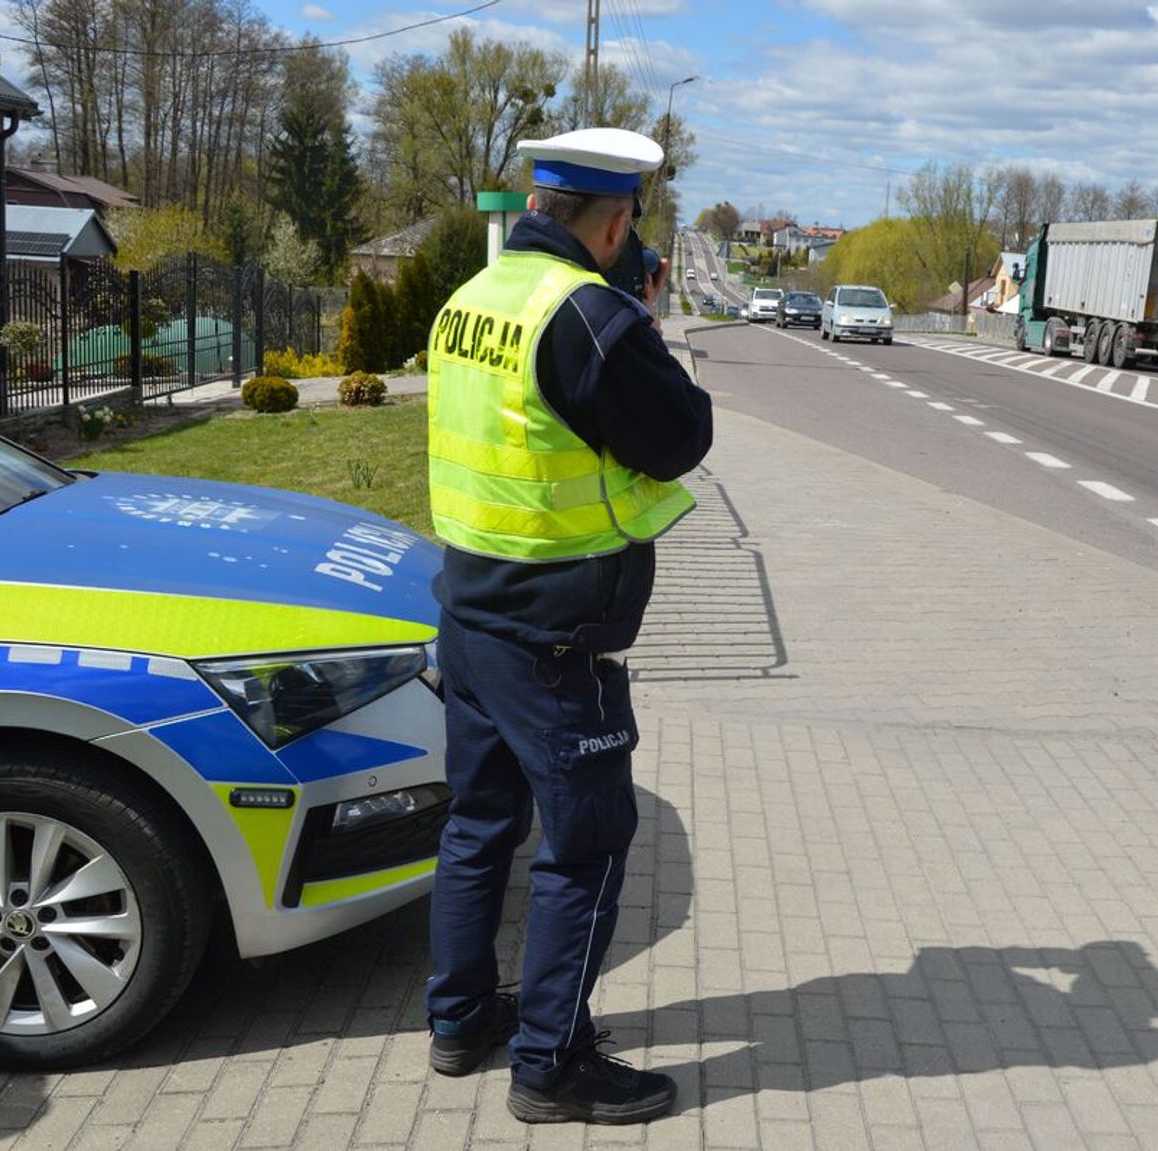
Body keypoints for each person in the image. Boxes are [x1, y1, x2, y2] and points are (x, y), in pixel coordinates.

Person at [422, 126, 713, 1125]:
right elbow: (679, 435)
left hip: (468, 612)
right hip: (553, 636)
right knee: (586, 841)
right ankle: (549, 1061)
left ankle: (460, 1020)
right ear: (618, 221)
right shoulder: (589, 316)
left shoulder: (472, 299)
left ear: (537, 206)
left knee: (477, 825)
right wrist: (647, 313)